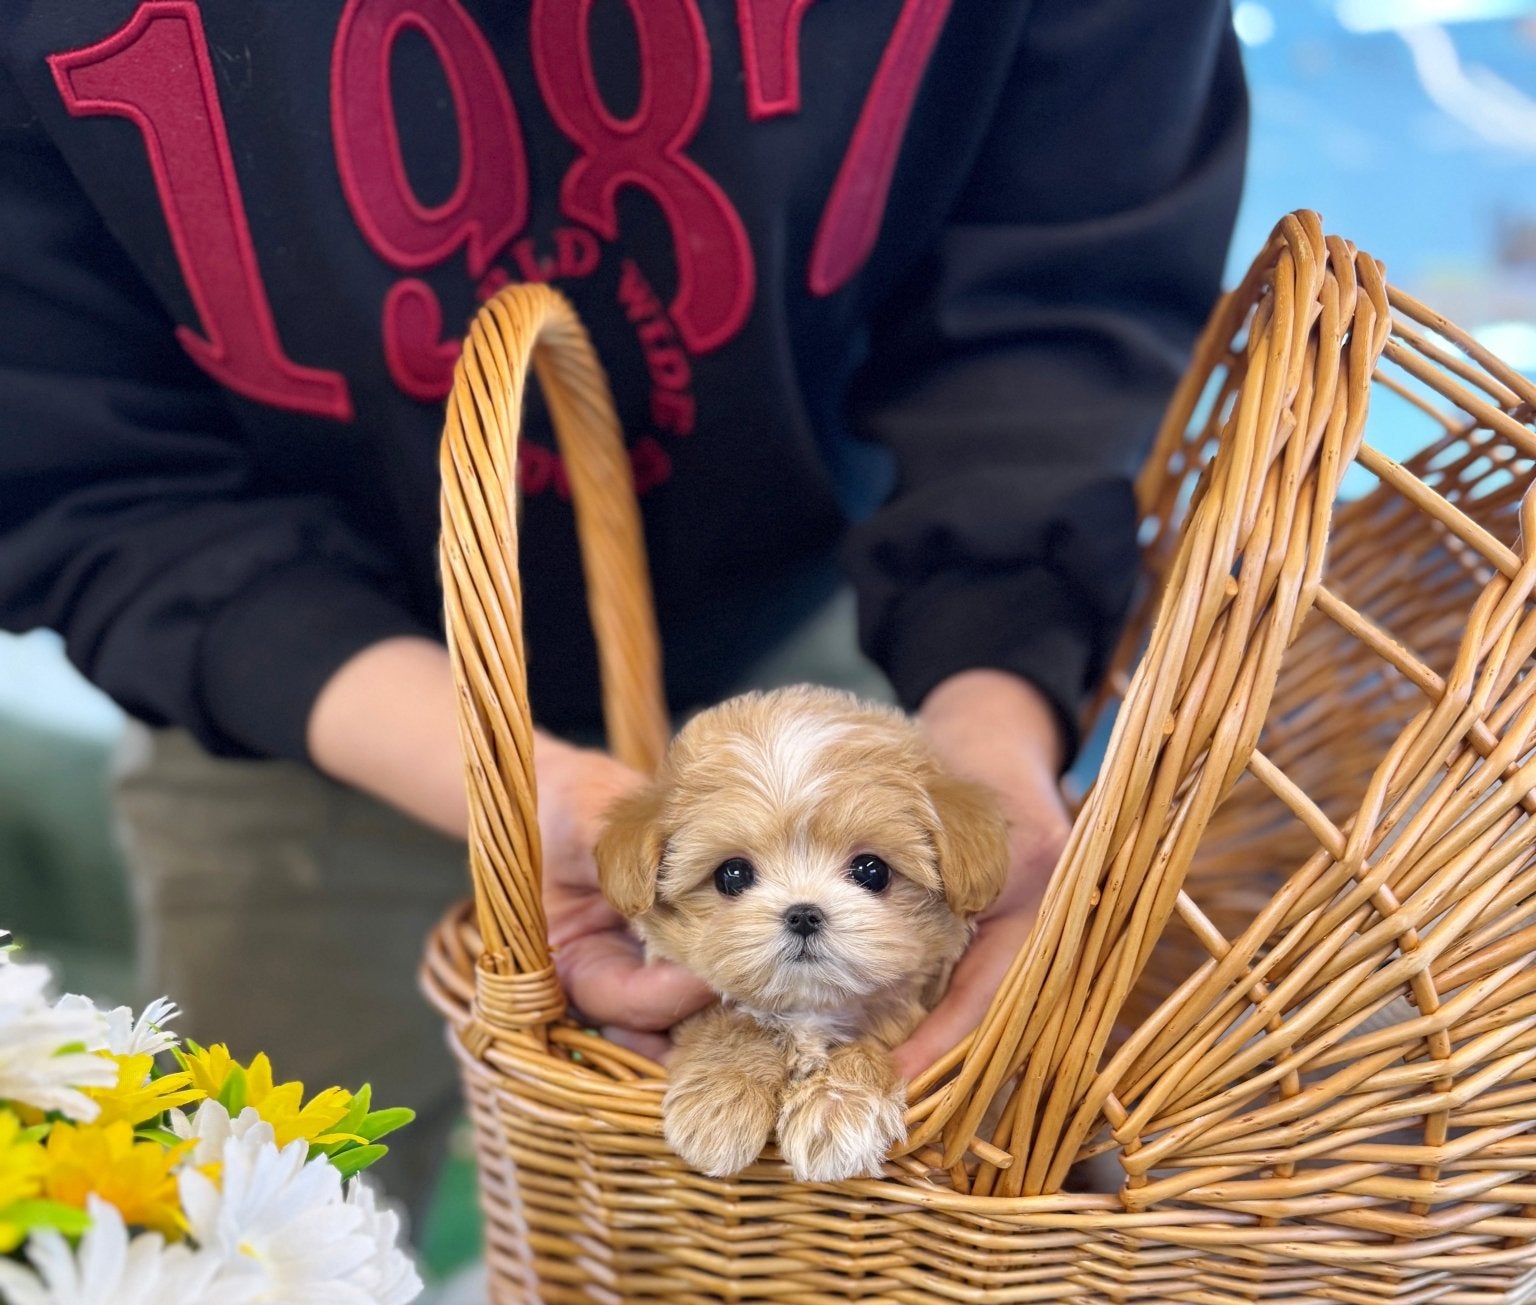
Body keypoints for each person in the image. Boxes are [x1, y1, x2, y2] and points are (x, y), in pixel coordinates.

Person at [0, 0, 1245, 1219]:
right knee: (239, 1254)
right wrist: (508, 784)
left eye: (860, 871)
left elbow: (1065, 288)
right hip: (278, 699)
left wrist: (993, 718)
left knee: (799, 1266)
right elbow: (73, 453)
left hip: (835, 619)